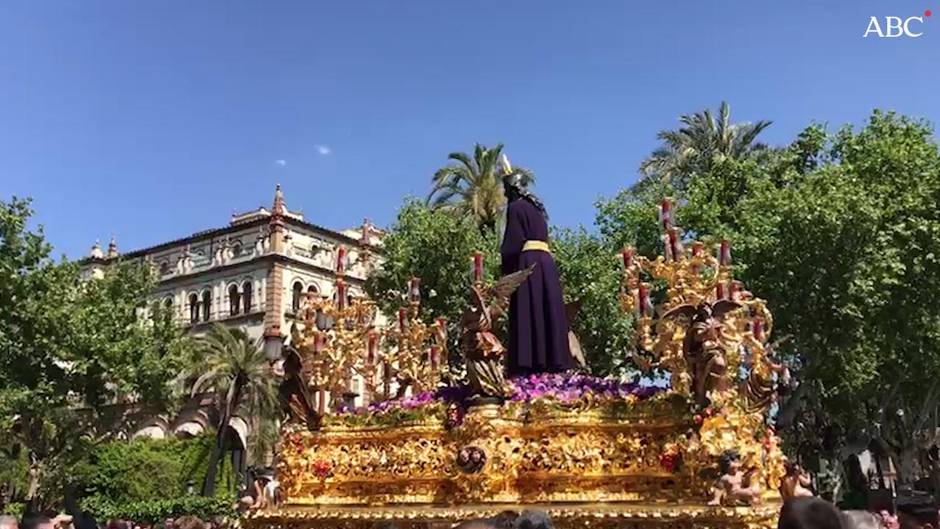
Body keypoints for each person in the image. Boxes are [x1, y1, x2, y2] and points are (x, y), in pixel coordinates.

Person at [500, 165, 573, 375]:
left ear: (512, 188)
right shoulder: (537, 209)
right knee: (547, 310)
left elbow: (513, 242)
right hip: (546, 264)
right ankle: (553, 360)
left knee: (529, 310)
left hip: (528, 263)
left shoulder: (515, 208)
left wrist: (505, 269)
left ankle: (529, 363)